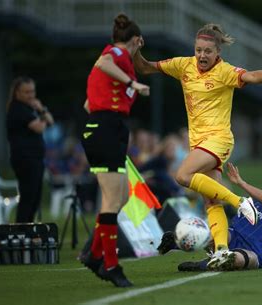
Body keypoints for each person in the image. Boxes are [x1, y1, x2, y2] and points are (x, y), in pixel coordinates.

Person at [134, 23, 262, 265]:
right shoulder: (183, 65)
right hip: (198, 144)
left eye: (208, 51)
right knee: (211, 200)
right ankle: (221, 249)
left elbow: (251, 76)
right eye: (198, 50)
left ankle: (240, 202)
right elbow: (145, 67)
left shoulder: (225, 71)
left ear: (217, 53)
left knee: (182, 175)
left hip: (219, 140)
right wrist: (133, 49)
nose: (202, 55)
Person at [79, 13, 150, 288]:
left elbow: (88, 104)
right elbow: (103, 62)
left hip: (109, 127)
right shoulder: (117, 53)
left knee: (119, 198)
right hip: (106, 128)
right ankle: (109, 264)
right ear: (135, 40)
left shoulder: (123, 61)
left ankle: (94, 254)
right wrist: (132, 84)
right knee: (111, 199)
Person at [157, 152, 262, 271]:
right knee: (210, 234)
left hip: (254, 251)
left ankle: (204, 264)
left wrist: (242, 183)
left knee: (238, 259)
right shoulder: (254, 201)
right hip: (232, 236)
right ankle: (175, 242)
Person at [6, 76, 54, 223]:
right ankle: (21, 229)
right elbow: (39, 128)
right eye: (26, 92)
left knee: (34, 198)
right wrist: (42, 113)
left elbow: (51, 121)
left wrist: (42, 110)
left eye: (32, 91)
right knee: (28, 198)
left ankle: (28, 229)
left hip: (35, 159)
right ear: (17, 93)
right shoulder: (17, 109)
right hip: (25, 159)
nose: (31, 95)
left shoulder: (29, 108)